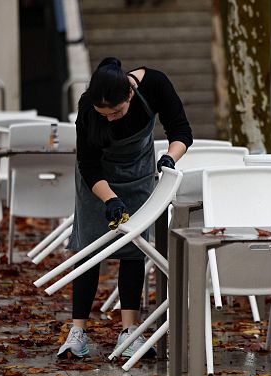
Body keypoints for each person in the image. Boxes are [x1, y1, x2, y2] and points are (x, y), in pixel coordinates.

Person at [57, 57, 192, 359]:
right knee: (89, 250)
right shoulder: (87, 112)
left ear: (130, 93)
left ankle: (129, 332)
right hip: (98, 183)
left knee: (133, 249)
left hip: (139, 175)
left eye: (116, 112)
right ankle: (78, 331)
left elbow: (182, 132)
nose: (111, 119)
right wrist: (110, 199)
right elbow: (89, 165)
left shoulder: (154, 84)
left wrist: (169, 158)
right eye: (104, 114)